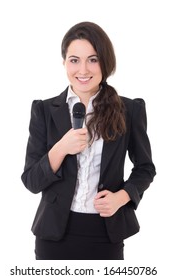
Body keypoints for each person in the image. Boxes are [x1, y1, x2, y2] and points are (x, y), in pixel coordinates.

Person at [21, 21, 156, 260]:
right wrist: (61, 149)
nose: (83, 69)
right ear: (64, 63)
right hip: (53, 236)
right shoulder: (43, 110)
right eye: (74, 60)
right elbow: (31, 181)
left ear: (106, 62)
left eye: (93, 59)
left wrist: (122, 197)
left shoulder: (130, 109)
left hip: (106, 234)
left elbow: (145, 168)